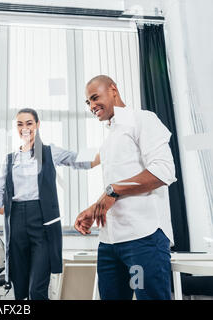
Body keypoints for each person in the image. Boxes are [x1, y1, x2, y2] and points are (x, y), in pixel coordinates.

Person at [0, 108, 99, 300]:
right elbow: (0, 196)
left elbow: (80, 160)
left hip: (43, 223)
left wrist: (106, 152)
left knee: (37, 290)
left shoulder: (50, 152)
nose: (24, 128)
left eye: (29, 123)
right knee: (20, 291)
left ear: (37, 125)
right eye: (20, 124)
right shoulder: (11, 159)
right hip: (17, 223)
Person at [74, 75, 177, 300]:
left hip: (143, 239)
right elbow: (117, 188)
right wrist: (95, 208)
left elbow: (164, 171)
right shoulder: (109, 140)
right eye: (87, 102)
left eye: (94, 98)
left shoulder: (143, 119)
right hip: (109, 243)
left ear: (113, 90)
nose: (91, 106)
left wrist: (113, 191)